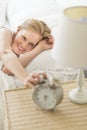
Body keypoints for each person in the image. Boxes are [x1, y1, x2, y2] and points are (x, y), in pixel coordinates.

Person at [0, 19, 54, 87]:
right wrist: (25, 77)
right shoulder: (5, 32)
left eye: (31, 44)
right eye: (24, 38)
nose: (24, 45)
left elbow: (7, 69)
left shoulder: (17, 56)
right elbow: (5, 53)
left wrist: (40, 48)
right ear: (18, 30)